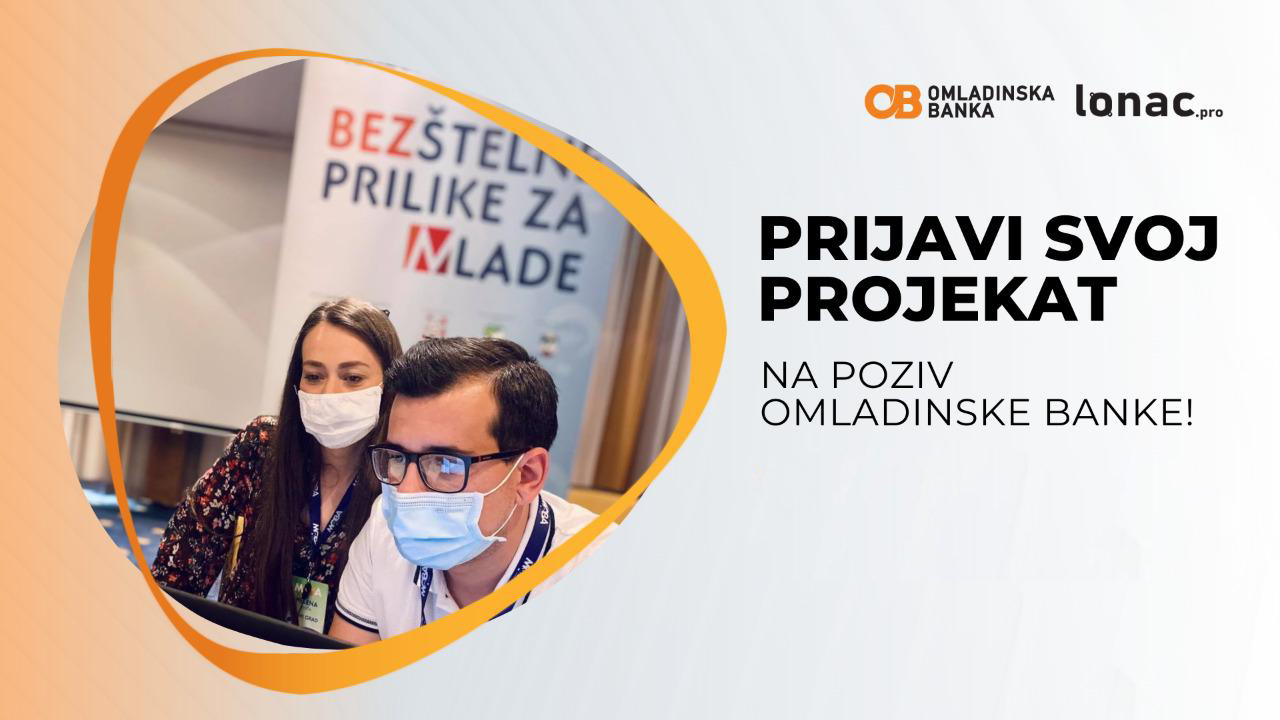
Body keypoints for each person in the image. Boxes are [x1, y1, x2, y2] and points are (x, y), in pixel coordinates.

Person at [329, 337, 613, 644]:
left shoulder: (604, 579)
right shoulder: (383, 531)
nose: (406, 492)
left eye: (445, 464)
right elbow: (345, 668)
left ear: (527, 476)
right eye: (396, 458)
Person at [152, 297, 403, 632]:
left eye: (353, 378)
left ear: (388, 384)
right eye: (314, 375)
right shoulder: (261, 446)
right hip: (239, 648)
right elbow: (178, 568)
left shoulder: (402, 478)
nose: (329, 393)